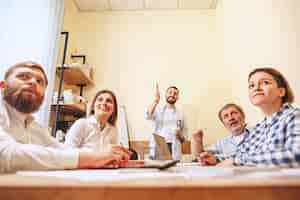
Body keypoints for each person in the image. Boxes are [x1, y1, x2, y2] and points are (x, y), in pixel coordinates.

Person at [0, 61, 130, 173]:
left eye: (39, 81)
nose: (33, 82)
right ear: (2, 86)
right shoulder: (82, 124)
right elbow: (5, 154)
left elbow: (62, 150)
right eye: (23, 76)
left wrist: (109, 157)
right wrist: (93, 158)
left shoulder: (33, 126)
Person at [219, 67, 300, 167]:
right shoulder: (259, 128)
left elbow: (297, 155)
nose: (256, 88)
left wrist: (237, 161)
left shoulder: (295, 116)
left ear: (281, 92)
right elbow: (240, 153)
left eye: (265, 82)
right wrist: (216, 159)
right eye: (251, 85)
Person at [146, 84, 186, 160]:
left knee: (174, 169)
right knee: (159, 169)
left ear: (177, 97)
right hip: (159, 145)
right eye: (170, 92)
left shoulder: (181, 114)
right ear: (165, 94)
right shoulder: (158, 110)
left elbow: (184, 136)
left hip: (174, 147)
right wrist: (155, 101)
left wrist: (180, 136)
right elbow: (149, 115)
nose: (172, 95)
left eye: (175, 93)